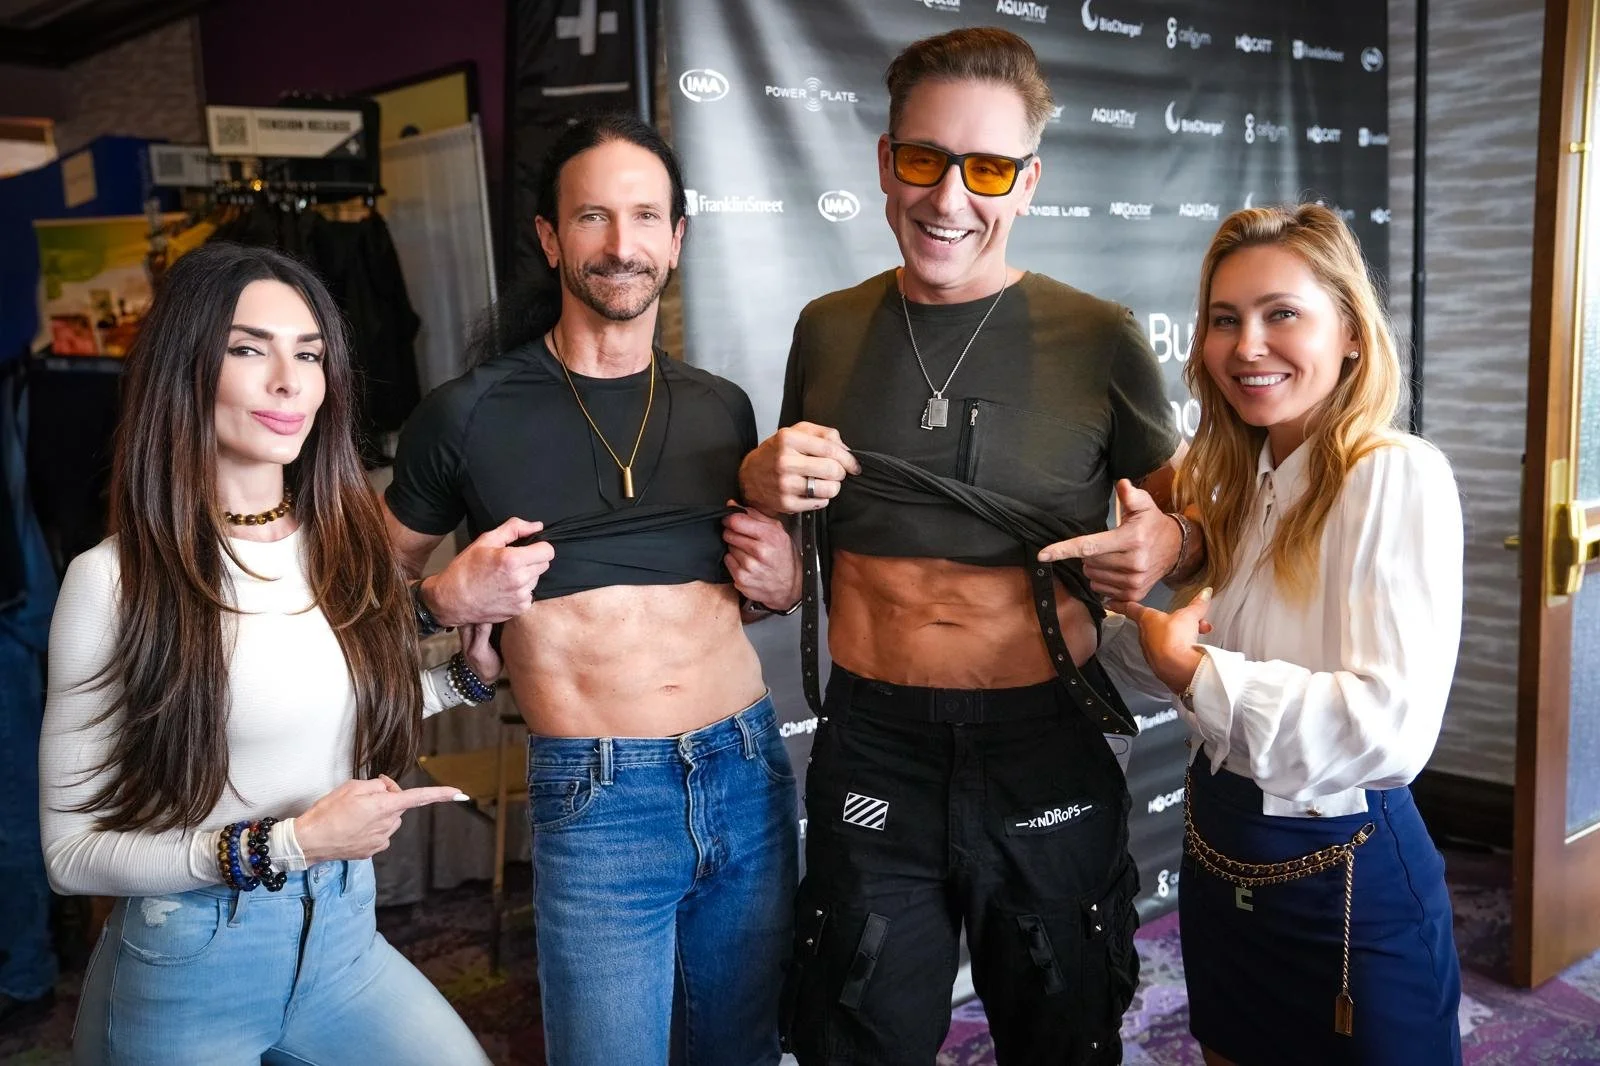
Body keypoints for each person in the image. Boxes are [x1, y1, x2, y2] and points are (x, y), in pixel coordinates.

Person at [740, 27, 1202, 1065]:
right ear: (884, 160)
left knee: (1063, 1021)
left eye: (987, 168)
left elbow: (1183, 523)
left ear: (1028, 181)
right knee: (855, 1027)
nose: (949, 199)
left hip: (1042, 739)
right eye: (923, 160)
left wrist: (1164, 539)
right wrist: (760, 493)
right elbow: (782, 529)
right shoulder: (824, 327)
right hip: (874, 741)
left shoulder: (1099, 336)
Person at [383, 113, 800, 1066]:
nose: (622, 245)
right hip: (600, 798)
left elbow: (749, 587)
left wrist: (781, 587)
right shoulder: (467, 415)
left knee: (740, 1053)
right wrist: (446, 605)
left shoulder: (720, 406)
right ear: (548, 236)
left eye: (646, 217)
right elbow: (352, 600)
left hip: (745, 769)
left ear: (678, 239)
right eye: (593, 218)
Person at [39, 242, 495, 1066]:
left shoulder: (347, 545)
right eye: (250, 349)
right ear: (187, 370)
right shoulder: (111, 582)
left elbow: (312, 705)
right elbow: (72, 855)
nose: (291, 381)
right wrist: (290, 844)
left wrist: (466, 676)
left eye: (310, 354)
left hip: (343, 940)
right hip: (196, 963)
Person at [1095, 203, 1465, 1065]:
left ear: (1350, 336)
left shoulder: (1395, 476)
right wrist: (1097, 616)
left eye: (1281, 314)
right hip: (1219, 861)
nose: (1246, 345)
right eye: (1225, 320)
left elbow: (1389, 732)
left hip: (1345, 879)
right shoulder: (1240, 479)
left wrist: (1192, 674)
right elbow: (1193, 652)